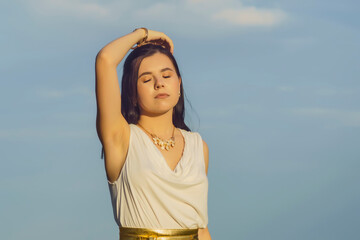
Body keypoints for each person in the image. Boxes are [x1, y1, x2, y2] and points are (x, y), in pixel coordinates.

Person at [95, 27, 212, 240]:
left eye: (167, 75)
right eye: (147, 80)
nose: (160, 83)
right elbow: (105, 59)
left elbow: (201, 229)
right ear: (131, 93)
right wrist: (142, 34)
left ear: (179, 84)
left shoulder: (198, 146)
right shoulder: (121, 139)